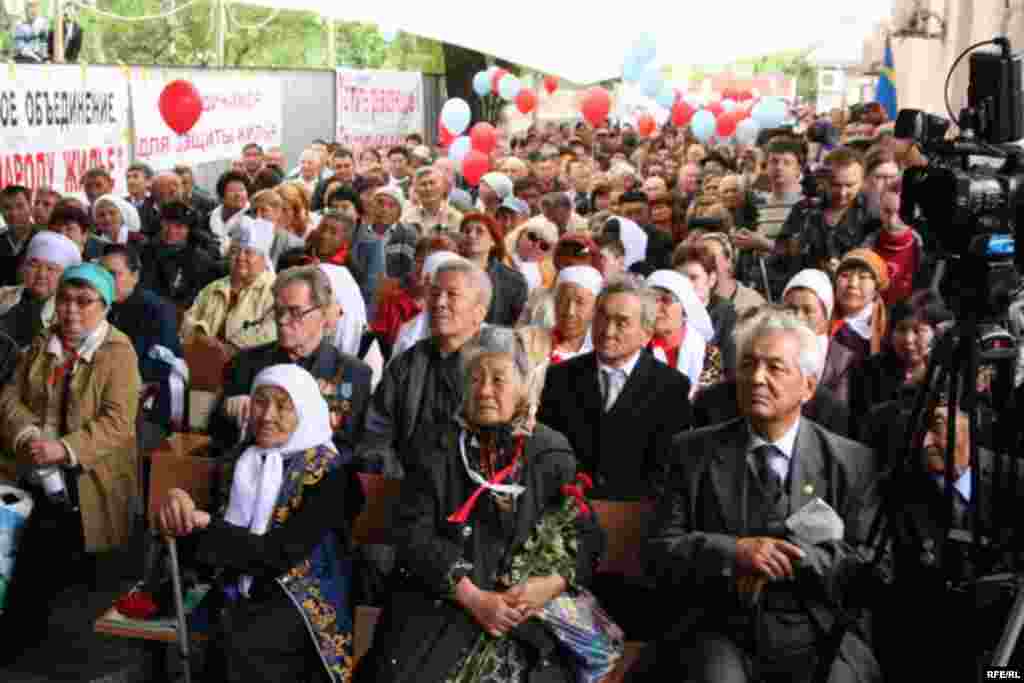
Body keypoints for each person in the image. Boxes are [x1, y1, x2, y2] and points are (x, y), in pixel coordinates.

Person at [632, 307, 880, 683]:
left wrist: (797, 557)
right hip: (718, 627)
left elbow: (873, 568)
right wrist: (736, 552)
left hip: (817, 628)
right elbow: (658, 551)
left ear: (808, 387)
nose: (757, 379)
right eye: (748, 365)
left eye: (776, 368)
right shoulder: (692, 452)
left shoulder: (851, 463)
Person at [354, 327, 606, 683]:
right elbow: (414, 534)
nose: (485, 390)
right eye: (475, 378)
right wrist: (473, 597)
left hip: (525, 614)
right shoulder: (434, 447)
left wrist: (548, 585)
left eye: (499, 379)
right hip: (443, 603)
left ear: (522, 384)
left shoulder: (549, 452)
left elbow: (586, 537)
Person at [157, 364, 364, 683]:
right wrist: (179, 501)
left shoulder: (331, 473)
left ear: (305, 412)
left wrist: (207, 524)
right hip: (239, 583)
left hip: (299, 595)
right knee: (221, 622)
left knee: (248, 640)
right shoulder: (242, 460)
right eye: (260, 402)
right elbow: (202, 536)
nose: (267, 415)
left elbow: (279, 554)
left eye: (283, 406)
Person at [0, 263, 140, 656]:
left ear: (104, 306)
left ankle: (36, 643)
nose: (72, 310)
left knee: (58, 562)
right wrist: (29, 433)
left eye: (84, 301)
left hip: (88, 476)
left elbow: (118, 422)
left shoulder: (117, 352)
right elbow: (10, 397)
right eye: (65, 299)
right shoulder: (43, 344)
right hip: (34, 466)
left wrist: (64, 449)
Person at [538, 279, 692, 500]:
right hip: (566, 513)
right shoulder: (559, 377)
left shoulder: (671, 387)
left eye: (621, 323)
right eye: (602, 317)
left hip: (637, 517)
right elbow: (547, 454)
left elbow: (668, 470)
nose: (608, 331)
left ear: (646, 333)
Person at [208, 266, 372, 456]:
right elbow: (215, 435)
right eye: (278, 311)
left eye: (295, 312)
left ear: (323, 313)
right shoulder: (245, 363)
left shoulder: (352, 373)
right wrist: (229, 412)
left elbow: (349, 446)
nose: (283, 320)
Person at [358, 259, 489, 476]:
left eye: (452, 295)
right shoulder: (406, 364)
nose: (439, 303)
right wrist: (392, 475)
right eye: (435, 294)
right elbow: (376, 431)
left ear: (479, 312)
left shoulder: (492, 371)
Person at [101, 244, 183, 438]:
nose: (106, 281)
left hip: (146, 406)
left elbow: (160, 367)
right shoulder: (98, 306)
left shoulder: (158, 310)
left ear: (135, 276)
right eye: (102, 274)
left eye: (114, 274)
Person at [848, 292, 952, 437]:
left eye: (918, 330)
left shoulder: (946, 378)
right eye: (902, 329)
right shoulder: (867, 370)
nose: (908, 339)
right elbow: (861, 425)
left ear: (936, 333)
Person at [182, 216, 277, 352]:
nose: (240, 257)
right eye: (235, 251)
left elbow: (270, 333)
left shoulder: (275, 291)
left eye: (248, 252)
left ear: (264, 259)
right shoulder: (214, 287)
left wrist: (230, 347)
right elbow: (188, 319)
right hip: (202, 355)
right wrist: (200, 335)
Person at [370, 236, 459, 356]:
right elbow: (379, 346)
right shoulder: (392, 300)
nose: (423, 268)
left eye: (432, 264)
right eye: (420, 261)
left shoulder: (455, 310)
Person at [782, 269, 856, 404]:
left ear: (825, 314)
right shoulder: (768, 348)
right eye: (791, 309)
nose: (798, 317)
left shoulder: (842, 360)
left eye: (807, 310)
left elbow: (838, 412)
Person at [0, 230, 81, 349]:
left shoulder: (70, 313)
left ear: (65, 276)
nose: (41, 274)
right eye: (34, 265)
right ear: (24, 267)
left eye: (51, 269)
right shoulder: (4, 294)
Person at [138, 201, 222, 309]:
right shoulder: (145, 251)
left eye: (179, 226)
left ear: (189, 230)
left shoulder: (200, 260)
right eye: (167, 223)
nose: (171, 231)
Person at [644, 269, 715, 393]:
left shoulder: (708, 353)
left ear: (684, 307)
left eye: (666, 300)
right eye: (652, 299)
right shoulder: (637, 349)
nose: (657, 307)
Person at [351, 187, 418, 318]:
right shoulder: (358, 231)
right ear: (371, 206)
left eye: (391, 205)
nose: (384, 209)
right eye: (380, 202)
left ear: (399, 212)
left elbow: (410, 272)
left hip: (391, 299)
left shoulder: (407, 234)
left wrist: (391, 285)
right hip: (360, 293)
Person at [460, 212, 528, 327]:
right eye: (467, 231)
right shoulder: (447, 271)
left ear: (493, 241)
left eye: (479, 231)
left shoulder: (514, 281)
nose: (471, 235)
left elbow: (517, 325)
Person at [861, 190, 923, 306]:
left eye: (900, 213)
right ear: (879, 209)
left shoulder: (920, 246)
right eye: (887, 211)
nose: (892, 221)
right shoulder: (869, 242)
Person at [830, 248, 889, 364]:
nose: (852, 284)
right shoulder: (821, 314)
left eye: (863, 277)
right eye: (845, 275)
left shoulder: (886, 333)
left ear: (876, 289)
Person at [700, 232, 766, 316]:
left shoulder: (753, 303)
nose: (704, 262)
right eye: (699, 258)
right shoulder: (693, 299)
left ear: (729, 261)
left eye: (711, 256)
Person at [250, 189, 306, 268]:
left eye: (264, 210)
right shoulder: (246, 237)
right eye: (255, 211)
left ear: (278, 212)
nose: (258, 216)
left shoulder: (293, 244)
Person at [504, 215, 558, 292]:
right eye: (532, 237)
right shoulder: (500, 257)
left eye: (544, 246)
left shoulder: (549, 272)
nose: (535, 246)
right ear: (520, 234)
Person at [0, 185, 37, 286]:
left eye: (20, 206)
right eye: (7, 208)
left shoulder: (40, 239)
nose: (14, 213)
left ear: (30, 207)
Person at [207, 171, 251, 256]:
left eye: (242, 190)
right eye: (232, 191)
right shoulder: (209, 218)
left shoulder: (255, 216)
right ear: (222, 196)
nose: (238, 194)